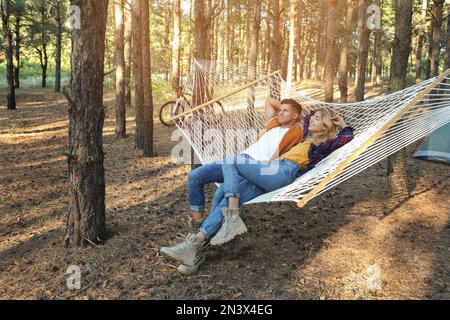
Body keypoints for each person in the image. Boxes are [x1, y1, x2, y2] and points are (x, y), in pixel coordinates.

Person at [160, 107, 354, 275]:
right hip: (271, 170)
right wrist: (316, 115)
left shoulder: (323, 145)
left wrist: (341, 123)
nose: (312, 119)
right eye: (313, 117)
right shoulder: (305, 137)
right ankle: (195, 247)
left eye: (318, 119)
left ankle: (232, 218)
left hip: (283, 172)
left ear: (327, 126)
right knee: (222, 195)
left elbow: (346, 138)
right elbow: (307, 117)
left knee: (231, 161)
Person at [186, 97, 304, 231]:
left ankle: (206, 231)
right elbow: (269, 101)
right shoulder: (273, 124)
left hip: (253, 166)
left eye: (285, 111)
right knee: (195, 176)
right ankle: (198, 223)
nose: (280, 113)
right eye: (280, 110)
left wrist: (298, 113)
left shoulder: (296, 131)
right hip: (238, 159)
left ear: (295, 116)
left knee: (220, 193)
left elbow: (310, 130)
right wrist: (285, 108)